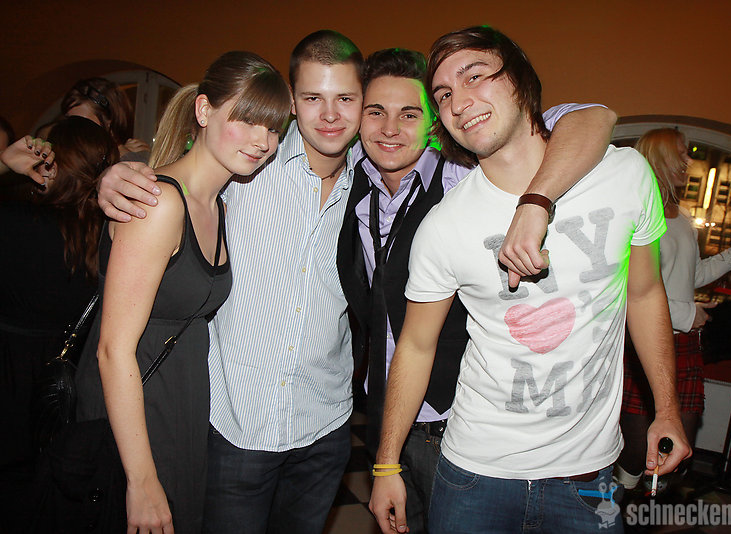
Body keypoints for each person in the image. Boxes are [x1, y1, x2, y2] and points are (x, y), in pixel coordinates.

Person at [97, 30, 611, 534]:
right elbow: (189, 174)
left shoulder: (387, 175)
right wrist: (118, 175)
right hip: (238, 426)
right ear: (291, 104)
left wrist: (537, 199)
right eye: (312, 99)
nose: (331, 115)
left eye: (346, 99)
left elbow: (586, 118)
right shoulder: (254, 157)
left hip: (335, 427)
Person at [368, 26, 692, 534]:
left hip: (590, 477)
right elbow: (414, 345)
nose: (459, 102)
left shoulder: (626, 176)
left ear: (520, 81)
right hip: (473, 474)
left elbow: (646, 293)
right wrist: (387, 464)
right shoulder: (444, 225)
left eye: (475, 76)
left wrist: (667, 409)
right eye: (444, 95)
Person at [340, 47, 616, 533]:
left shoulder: (467, 176)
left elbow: (588, 118)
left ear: (435, 122)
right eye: (375, 112)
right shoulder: (348, 180)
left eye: (410, 114)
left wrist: (536, 201)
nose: (390, 128)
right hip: (385, 412)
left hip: (456, 421)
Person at [73, 51, 290, 533]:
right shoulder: (159, 203)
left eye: (274, 128)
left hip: (182, 403)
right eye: (246, 119)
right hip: (134, 410)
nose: (262, 141)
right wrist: (141, 479)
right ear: (204, 110)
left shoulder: (219, 206)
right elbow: (112, 350)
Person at [614, 128, 731, 492]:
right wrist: (684, 313)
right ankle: (615, 508)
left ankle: (646, 507)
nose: (689, 160)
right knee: (635, 452)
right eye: (681, 153)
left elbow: (692, 276)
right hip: (643, 341)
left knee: (677, 448)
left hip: (684, 343)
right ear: (658, 157)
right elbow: (625, 285)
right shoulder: (633, 210)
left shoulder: (682, 216)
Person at [0, 116, 118, 533]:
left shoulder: (12, 218)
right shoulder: (110, 236)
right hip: (70, 392)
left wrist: (3, 166)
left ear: (51, 164)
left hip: (9, 379)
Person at [61, 77, 151, 161]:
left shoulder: (128, 165)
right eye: (69, 122)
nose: (73, 131)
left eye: (82, 124)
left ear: (109, 120)